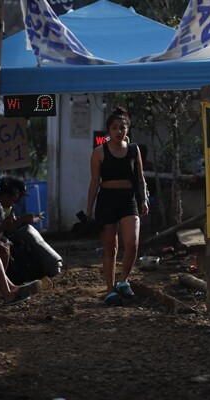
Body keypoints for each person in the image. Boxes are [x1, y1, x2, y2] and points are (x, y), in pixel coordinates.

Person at [86, 107, 149, 306]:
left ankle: (124, 281)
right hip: (106, 200)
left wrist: (144, 199)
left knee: (132, 243)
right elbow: (94, 181)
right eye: (114, 127)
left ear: (127, 129)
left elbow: (140, 177)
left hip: (128, 199)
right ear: (108, 130)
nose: (118, 131)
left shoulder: (134, 150)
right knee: (111, 248)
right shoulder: (99, 152)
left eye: (122, 127)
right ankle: (110, 290)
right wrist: (88, 209)